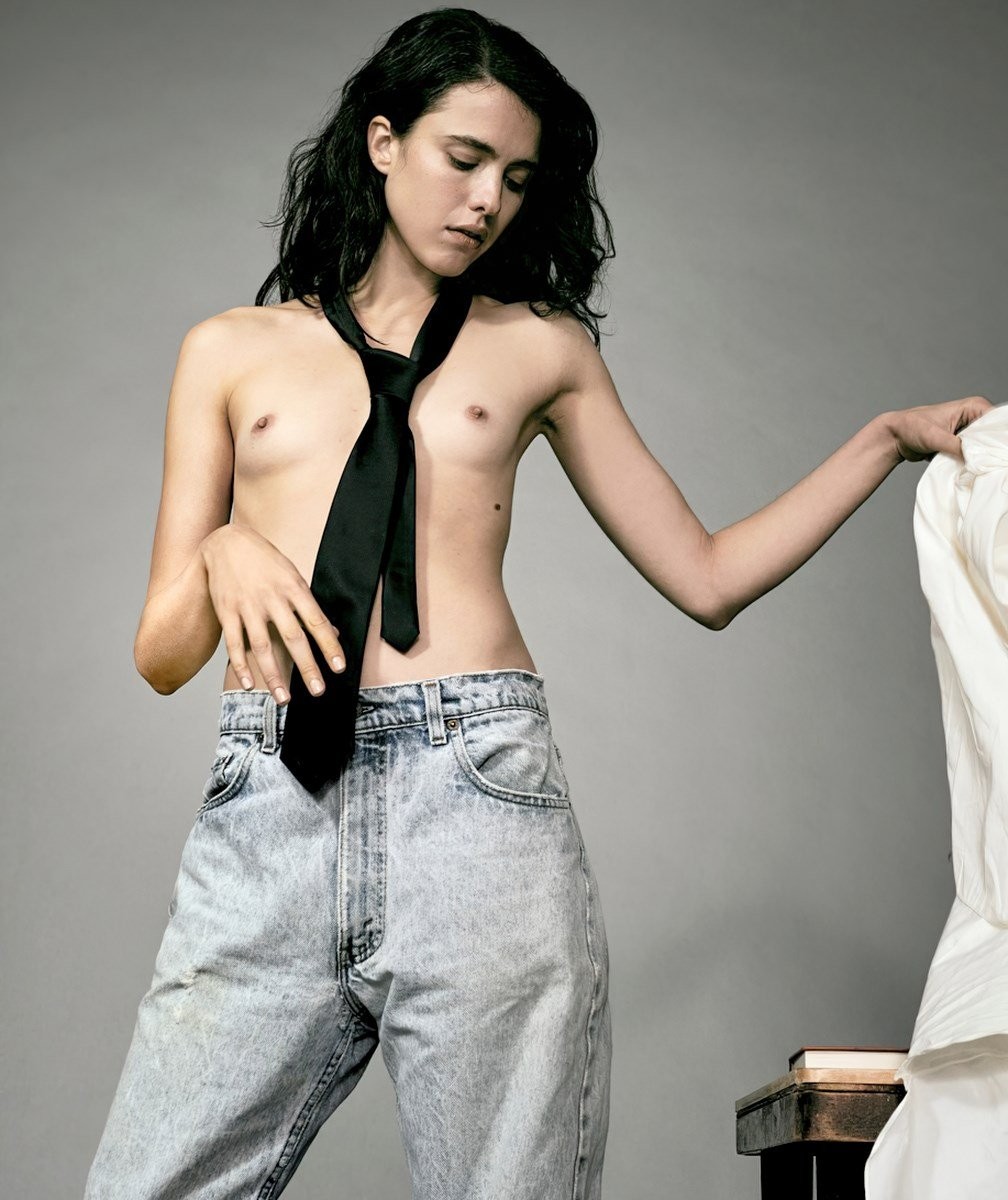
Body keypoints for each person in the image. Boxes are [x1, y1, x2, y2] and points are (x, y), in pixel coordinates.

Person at [83, 8, 991, 1199]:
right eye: (464, 159)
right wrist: (219, 553)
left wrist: (883, 443)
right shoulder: (228, 350)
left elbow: (707, 576)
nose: (486, 202)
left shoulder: (541, 349)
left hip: (479, 803)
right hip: (270, 806)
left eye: (515, 179)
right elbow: (161, 656)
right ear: (383, 142)